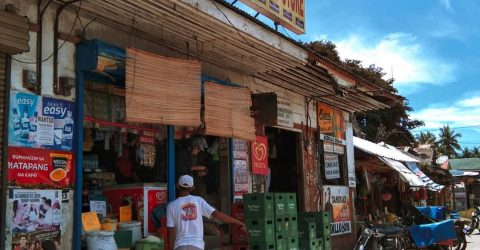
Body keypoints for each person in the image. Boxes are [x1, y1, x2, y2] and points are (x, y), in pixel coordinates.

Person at [167, 175, 246, 250]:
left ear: (177, 186)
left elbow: (171, 232)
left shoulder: (171, 206)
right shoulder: (198, 201)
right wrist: (238, 222)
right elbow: (217, 214)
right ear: (192, 188)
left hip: (180, 246)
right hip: (197, 246)